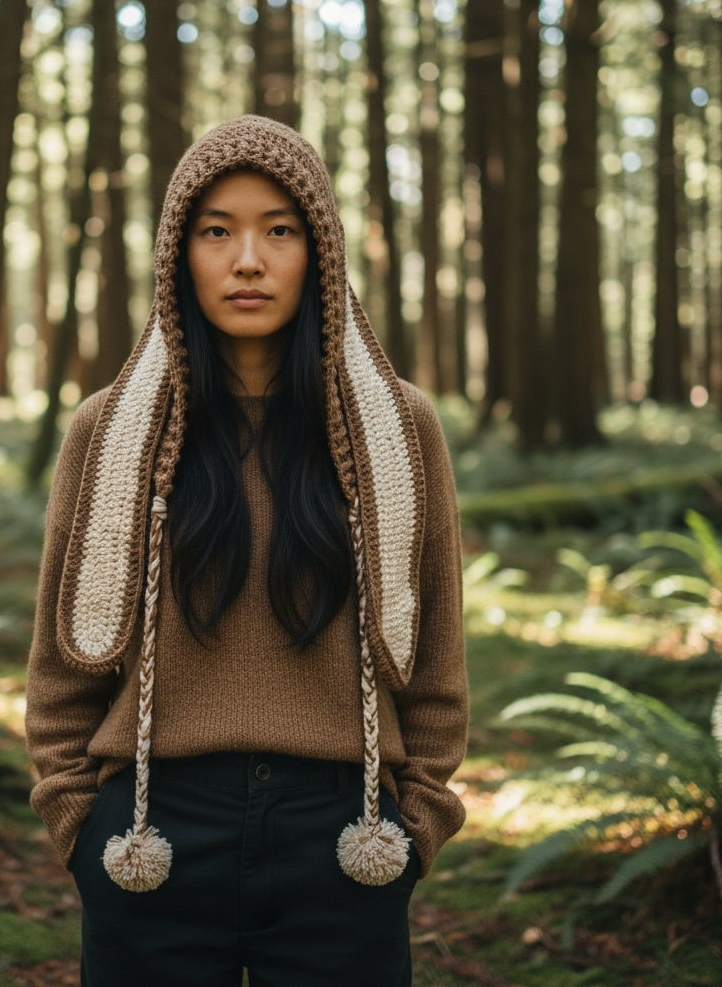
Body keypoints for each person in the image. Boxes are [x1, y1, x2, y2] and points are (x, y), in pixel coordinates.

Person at [26, 115, 468, 987]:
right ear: (177, 255)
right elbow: (59, 669)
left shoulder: (399, 431)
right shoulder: (110, 431)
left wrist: (418, 823)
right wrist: (75, 820)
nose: (248, 260)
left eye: (280, 229)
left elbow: (438, 667)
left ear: (321, 252)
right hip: (148, 837)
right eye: (216, 231)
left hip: (347, 841)